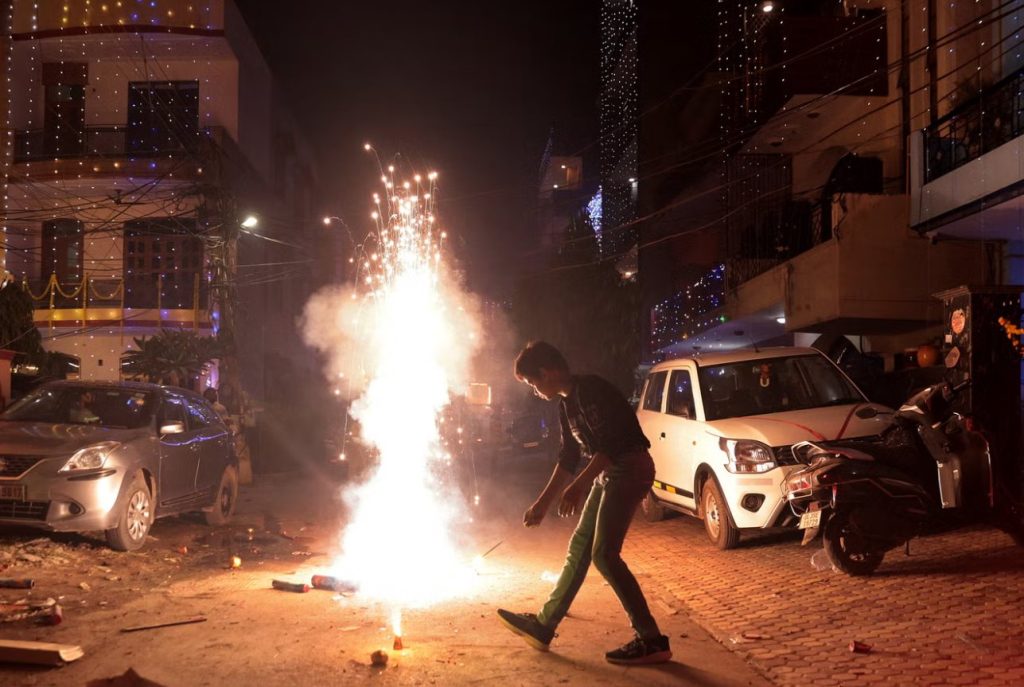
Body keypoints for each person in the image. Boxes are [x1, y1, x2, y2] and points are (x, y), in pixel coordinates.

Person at [496, 341, 671, 665]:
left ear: (547, 372)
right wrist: (541, 504)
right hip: (610, 472)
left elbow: (611, 444)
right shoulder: (567, 405)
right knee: (580, 548)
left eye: (534, 383)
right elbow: (569, 457)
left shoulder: (592, 390)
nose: (535, 391)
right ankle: (544, 626)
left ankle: (651, 640)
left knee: (604, 554)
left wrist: (578, 486)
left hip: (630, 467)